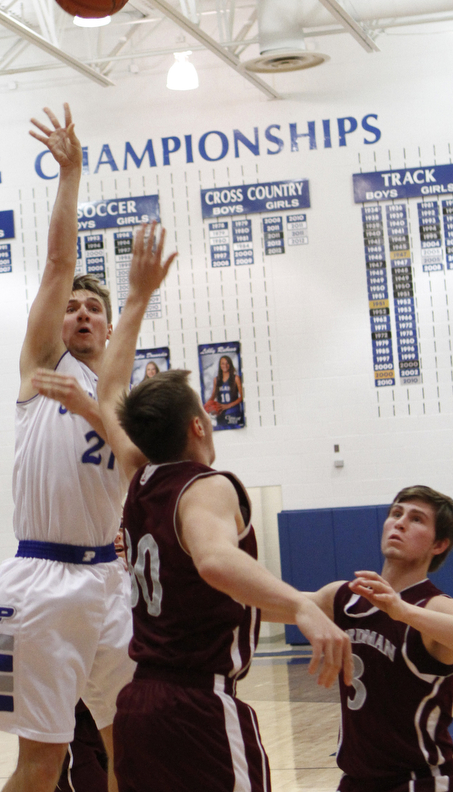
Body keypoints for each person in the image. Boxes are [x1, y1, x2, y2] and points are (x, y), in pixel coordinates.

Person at [96, 223, 353, 792]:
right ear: (199, 424)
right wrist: (304, 611)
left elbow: (109, 395)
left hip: (138, 705)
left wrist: (137, 299)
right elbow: (214, 562)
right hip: (197, 709)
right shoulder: (206, 484)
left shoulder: (139, 475)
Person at [0, 105, 133, 792]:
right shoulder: (43, 367)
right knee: (42, 762)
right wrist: (71, 174)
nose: (83, 312)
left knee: (135, 751)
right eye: (73, 307)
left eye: (96, 308)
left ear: (113, 325)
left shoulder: (122, 396)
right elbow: (60, 262)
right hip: (40, 581)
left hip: (109, 583)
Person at [308, 485, 453, 792]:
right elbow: (273, 605)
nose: (399, 522)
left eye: (416, 519)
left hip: (420, 781)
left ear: (439, 544)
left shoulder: (434, 607)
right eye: (396, 513)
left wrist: (402, 612)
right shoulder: (345, 598)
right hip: (356, 782)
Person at [205, 354, 243, 429]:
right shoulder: (216, 379)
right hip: (220, 411)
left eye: (227, 363)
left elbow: (241, 397)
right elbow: (213, 395)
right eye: (222, 363)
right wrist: (207, 404)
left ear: (230, 364)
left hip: (233, 411)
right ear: (220, 365)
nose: (225, 365)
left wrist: (228, 406)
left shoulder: (236, 378)